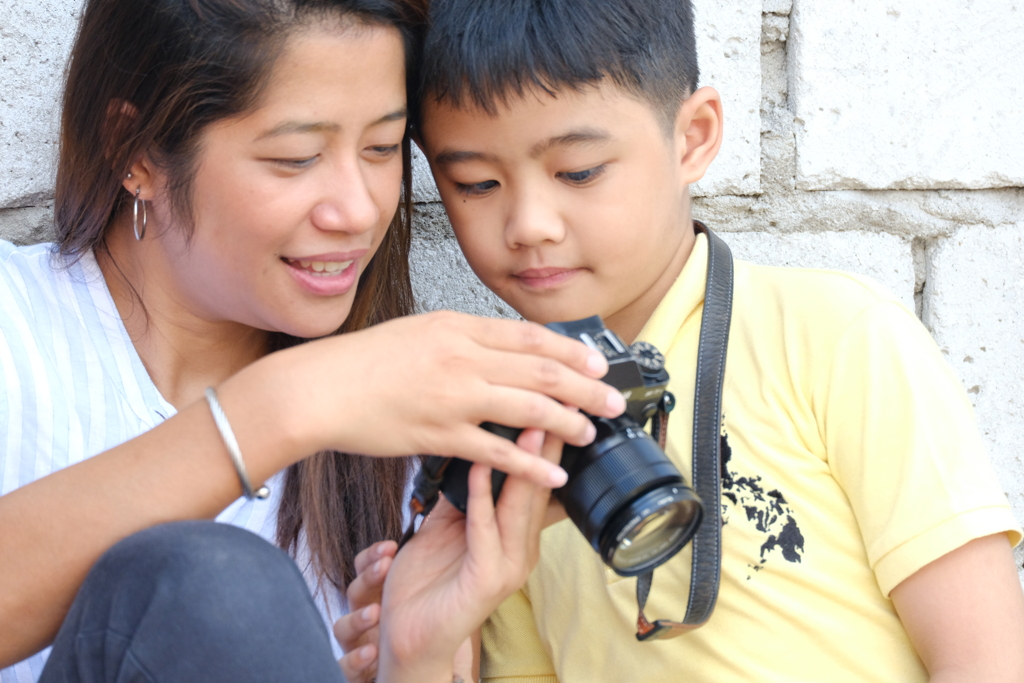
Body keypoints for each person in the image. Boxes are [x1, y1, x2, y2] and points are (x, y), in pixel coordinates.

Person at [337, 0, 1024, 680]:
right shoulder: (510, 434)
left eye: (577, 171)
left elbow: (988, 657)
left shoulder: (834, 338)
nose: (529, 223)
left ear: (693, 136)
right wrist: (418, 655)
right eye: (475, 183)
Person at [0, 0, 632, 680]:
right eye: (296, 157)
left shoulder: (405, 453)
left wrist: (413, 657)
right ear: (136, 151)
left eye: (383, 148)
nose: (359, 210)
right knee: (217, 588)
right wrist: (283, 406)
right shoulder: (19, 327)